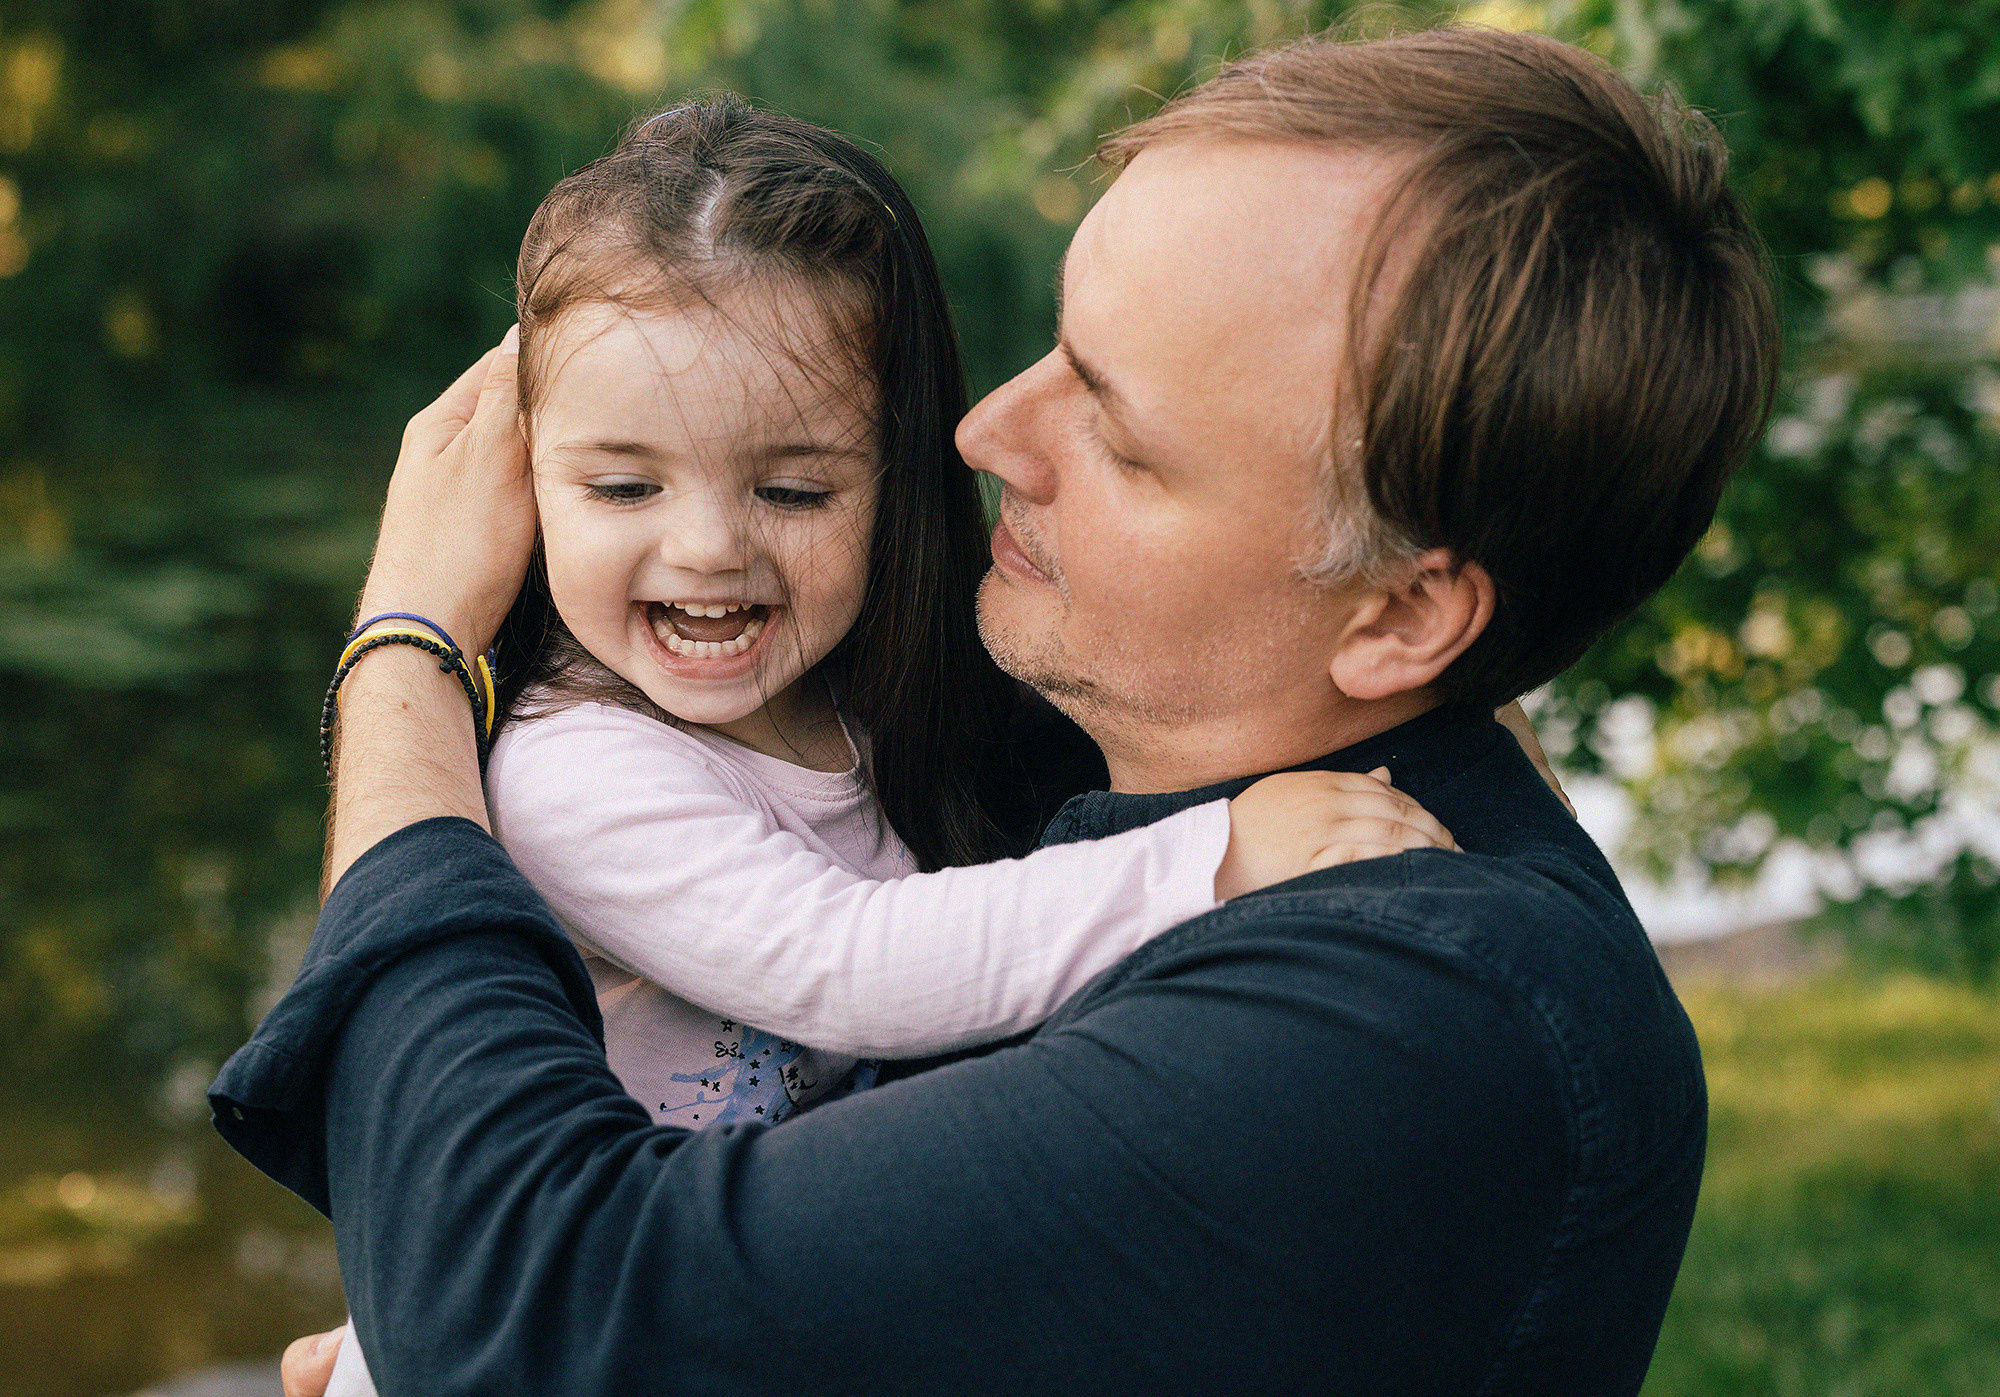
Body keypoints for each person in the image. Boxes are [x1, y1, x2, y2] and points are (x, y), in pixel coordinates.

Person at [215, 23, 1778, 1397]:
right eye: (1054, 342)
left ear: (1403, 614)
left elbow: (529, 1327)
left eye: (1121, 429)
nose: (980, 429)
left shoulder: (1404, 1030)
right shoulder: (1120, 756)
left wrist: (413, 645)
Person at [315, 98, 1466, 1397]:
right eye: (622, 486)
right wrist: (1213, 854)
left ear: (894, 476)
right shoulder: (577, 765)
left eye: (794, 487)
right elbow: (843, 962)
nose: (706, 547)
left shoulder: (860, 707)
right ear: (526, 487)